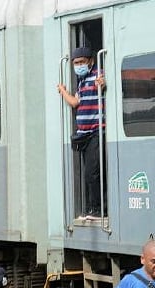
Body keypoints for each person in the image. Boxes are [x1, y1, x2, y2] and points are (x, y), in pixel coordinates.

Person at [58, 46, 106, 220]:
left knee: (92, 172)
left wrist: (103, 82)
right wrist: (63, 91)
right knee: (88, 173)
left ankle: (98, 209)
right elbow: (75, 102)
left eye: (81, 62)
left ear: (90, 61)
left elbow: (103, 81)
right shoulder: (81, 80)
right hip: (83, 134)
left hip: (95, 132)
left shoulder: (96, 74)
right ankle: (92, 208)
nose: (78, 66)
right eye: (75, 63)